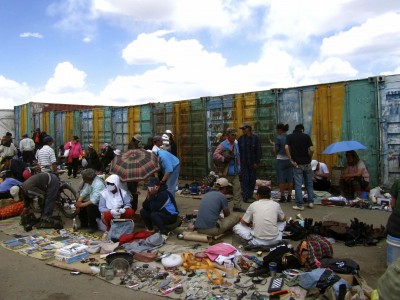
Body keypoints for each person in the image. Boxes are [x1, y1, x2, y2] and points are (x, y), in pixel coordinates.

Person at [213, 128, 245, 213]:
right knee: (221, 189)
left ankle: (237, 206)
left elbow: (238, 157)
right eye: (232, 135)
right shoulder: (223, 145)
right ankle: (217, 205)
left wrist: (239, 167)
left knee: (237, 189)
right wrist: (223, 159)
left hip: (234, 171)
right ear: (228, 135)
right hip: (226, 172)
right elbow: (215, 154)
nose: (234, 136)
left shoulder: (235, 144)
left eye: (235, 135)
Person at [285, 124, 315, 211]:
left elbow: (286, 147)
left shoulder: (290, 137)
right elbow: (312, 149)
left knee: (298, 184)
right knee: (309, 183)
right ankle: (311, 202)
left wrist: (290, 159)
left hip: (296, 163)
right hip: (307, 163)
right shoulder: (306, 136)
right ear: (302, 129)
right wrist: (310, 158)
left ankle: (300, 205)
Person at [238, 123, 262, 203]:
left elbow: (258, 151)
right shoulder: (240, 139)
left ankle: (250, 195)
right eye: (242, 129)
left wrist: (257, 162)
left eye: (244, 129)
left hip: (252, 163)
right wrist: (239, 164)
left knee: (252, 179)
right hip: (244, 163)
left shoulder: (255, 139)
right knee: (245, 179)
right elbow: (238, 152)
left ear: (249, 129)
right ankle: (246, 197)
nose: (243, 131)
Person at [75, 168, 105, 233]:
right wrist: (79, 202)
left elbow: (94, 200)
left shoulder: (98, 184)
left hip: (101, 207)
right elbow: (84, 192)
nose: (83, 180)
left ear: (87, 179)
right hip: (95, 204)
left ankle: (93, 227)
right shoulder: (90, 182)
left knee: (90, 206)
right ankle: (84, 224)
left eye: (83, 178)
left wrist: (81, 205)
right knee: (81, 202)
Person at [271, 123, 293, 203]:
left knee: (281, 179)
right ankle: (289, 196)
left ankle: (283, 196)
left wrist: (273, 145)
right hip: (289, 160)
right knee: (290, 179)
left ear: (280, 130)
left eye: (277, 130)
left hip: (280, 160)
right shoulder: (289, 137)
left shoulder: (278, 138)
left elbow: (275, 151)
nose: (277, 132)